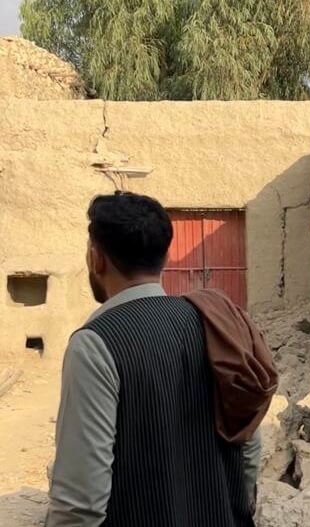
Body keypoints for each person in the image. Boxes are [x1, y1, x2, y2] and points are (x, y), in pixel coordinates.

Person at [47, 192, 267, 526]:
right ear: (166, 256)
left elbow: (81, 502)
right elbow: (248, 446)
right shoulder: (217, 324)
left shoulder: (93, 345)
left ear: (96, 259)